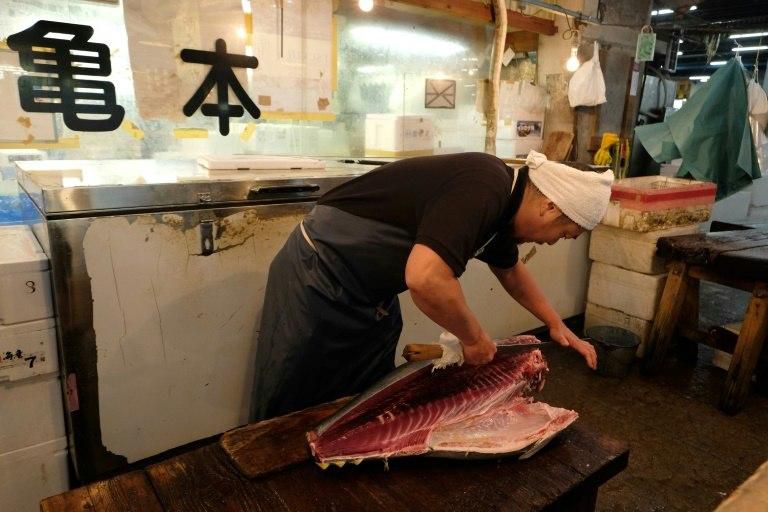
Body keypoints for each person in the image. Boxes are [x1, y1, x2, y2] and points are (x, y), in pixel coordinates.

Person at [250, 150, 614, 421]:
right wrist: (472, 338)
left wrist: (555, 323)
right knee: (294, 403)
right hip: (319, 276)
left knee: (365, 402)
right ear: (549, 207)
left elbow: (511, 271)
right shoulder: (485, 186)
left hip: (370, 295)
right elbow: (425, 278)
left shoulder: (504, 208)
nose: (553, 242)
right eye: (564, 234)